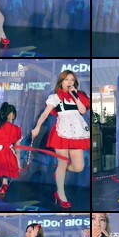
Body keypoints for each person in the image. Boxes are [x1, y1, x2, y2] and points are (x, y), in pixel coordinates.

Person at [31, 70, 90, 208]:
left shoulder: (78, 95)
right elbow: (45, 114)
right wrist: (37, 127)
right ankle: (61, 194)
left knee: (79, 167)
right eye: (66, 79)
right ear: (61, 82)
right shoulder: (55, 97)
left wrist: (75, 95)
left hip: (77, 133)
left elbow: (82, 111)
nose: (69, 82)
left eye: (72, 80)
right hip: (62, 132)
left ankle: (59, 173)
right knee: (62, 163)